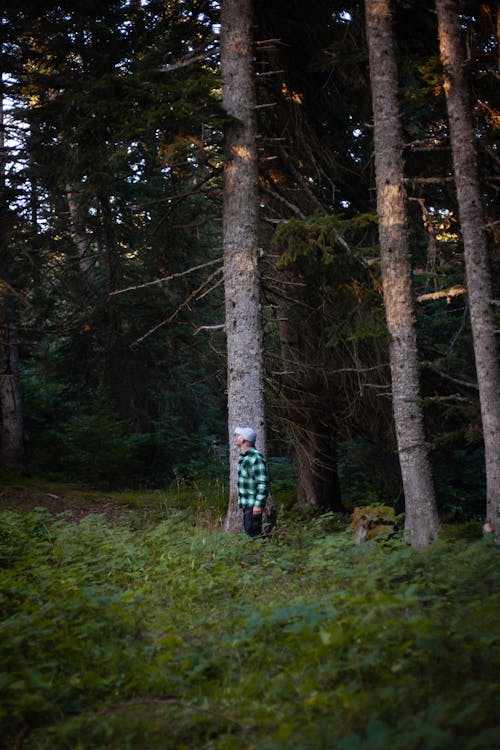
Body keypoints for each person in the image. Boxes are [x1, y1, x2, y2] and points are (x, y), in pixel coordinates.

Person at [235, 426, 268, 538]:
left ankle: (259, 555)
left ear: (243, 440)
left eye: (239, 435)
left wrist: (258, 505)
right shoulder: (245, 457)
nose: (237, 437)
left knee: (253, 536)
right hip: (247, 504)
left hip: (253, 504)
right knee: (249, 533)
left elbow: (263, 483)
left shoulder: (256, 458)